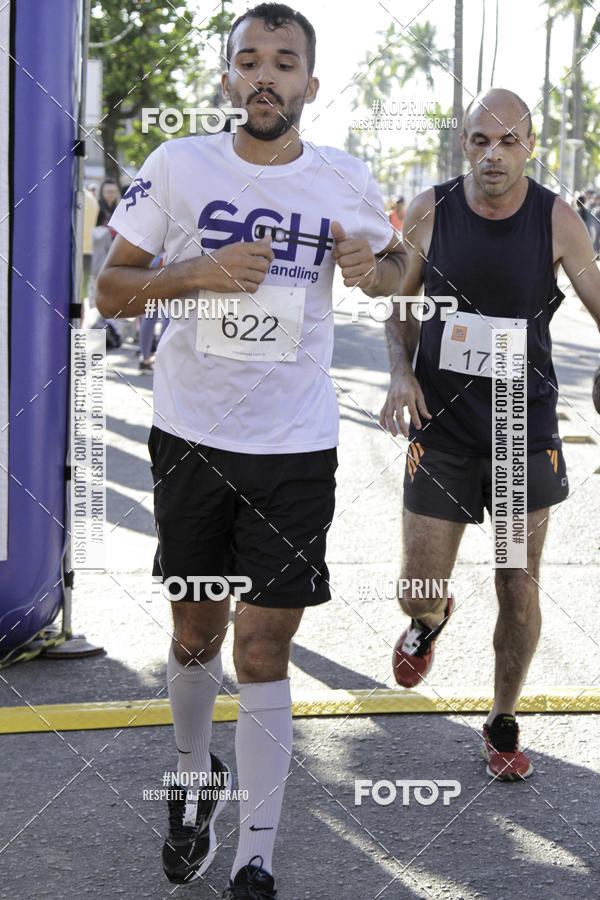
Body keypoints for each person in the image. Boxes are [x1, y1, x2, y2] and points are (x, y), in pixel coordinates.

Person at [96, 4, 404, 896]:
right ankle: (193, 780)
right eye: (250, 60)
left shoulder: (343, 179)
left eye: (285, 61)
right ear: (230, 76)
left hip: (297, 447)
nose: (266, 74)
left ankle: (255, 856)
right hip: (193, 437)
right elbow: (113, 290)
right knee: (197, 634)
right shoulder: (178, 165)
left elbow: (399, 272)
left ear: (312, 82)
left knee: (264, 651)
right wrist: (197, 271)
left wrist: (373, 272)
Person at [379, 88, 600, 782]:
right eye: (480, 140)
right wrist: (400, 375)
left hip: (519, 434)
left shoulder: (557, 218)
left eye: (508, 142)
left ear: (529, 147)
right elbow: (398, 307)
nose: (493, 155)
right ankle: (429, 620)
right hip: (441, 430)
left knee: (518, 586)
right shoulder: (432, 209)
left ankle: (502, 718)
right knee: (417, 586)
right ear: (464, 145)